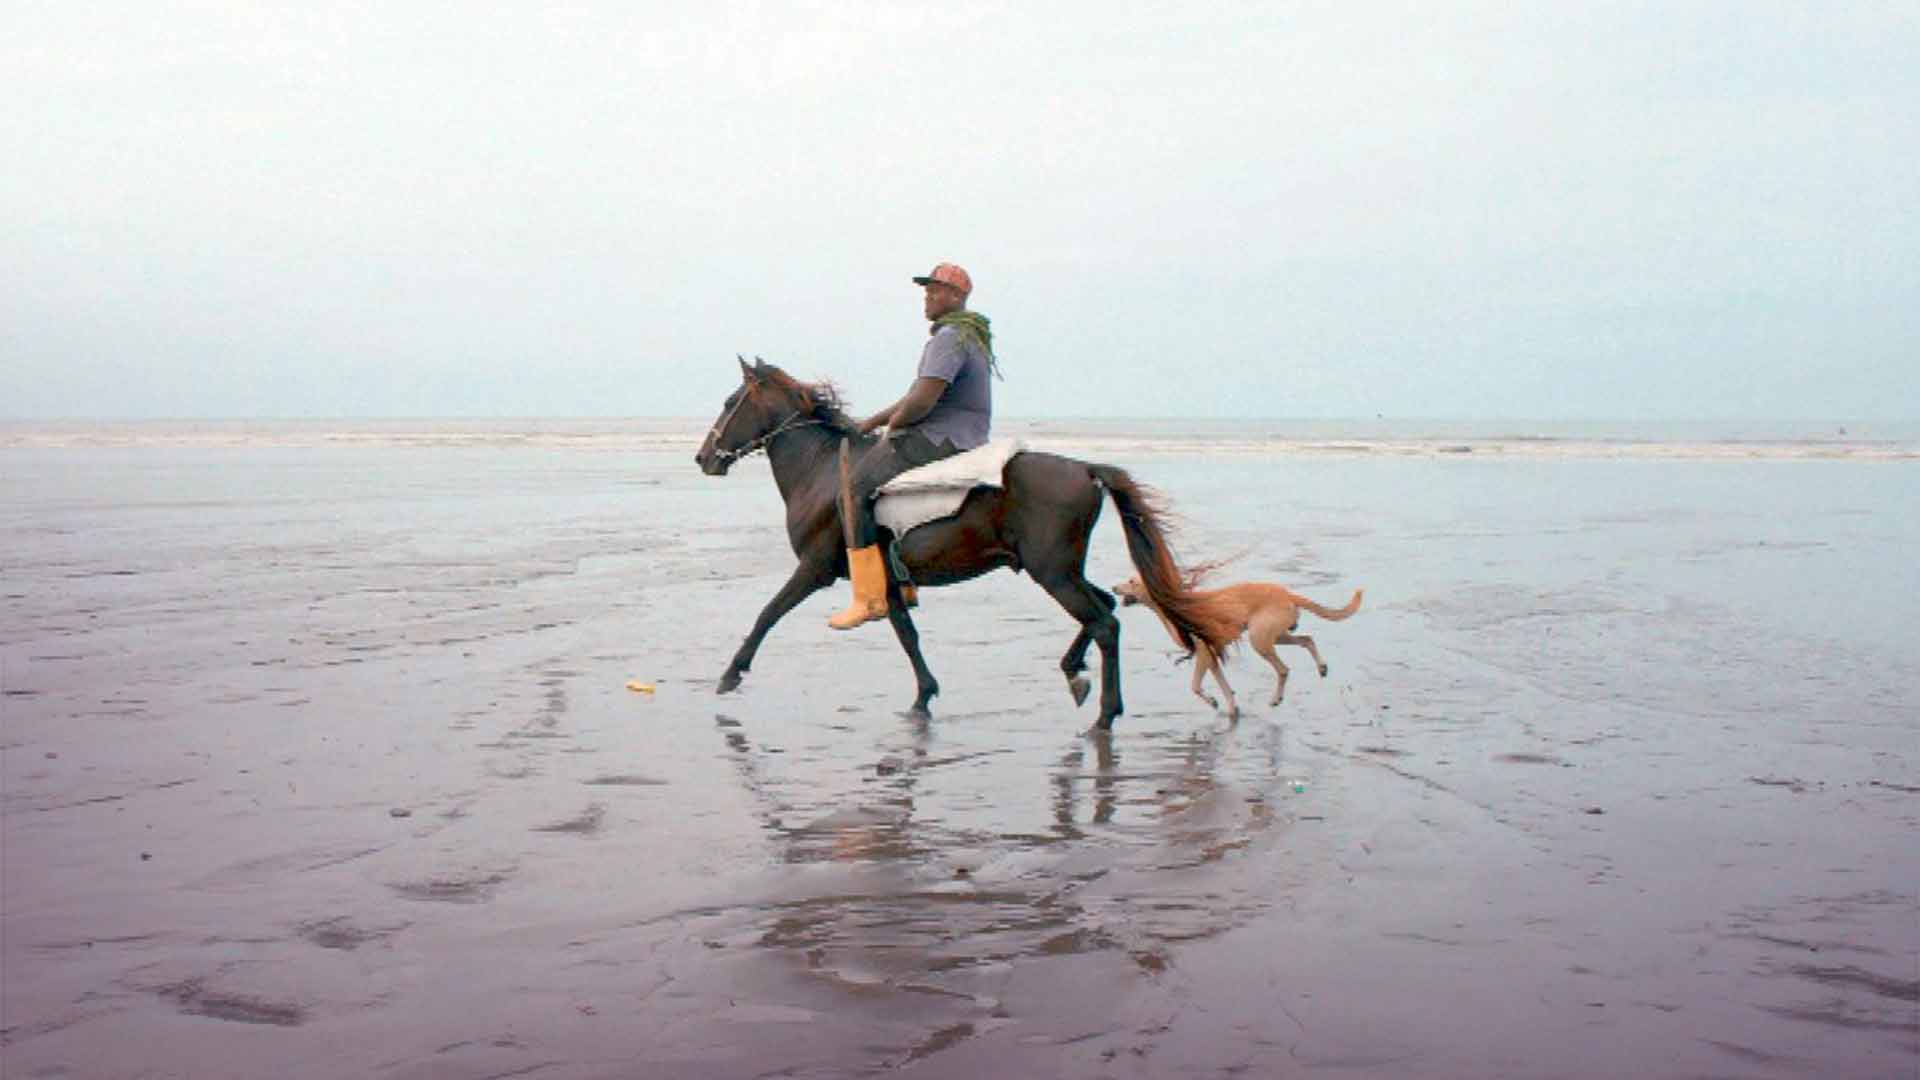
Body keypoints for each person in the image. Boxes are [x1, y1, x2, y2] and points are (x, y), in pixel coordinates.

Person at [828, 262, 997, 630]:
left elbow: (920, 403)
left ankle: (868, 598)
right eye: (926, 290)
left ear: (957, 296)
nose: (927, 297)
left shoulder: (949, 337)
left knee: (851, 492)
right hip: (966, 434)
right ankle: (902, 585)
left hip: (940, 438)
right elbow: (916, 394)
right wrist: (872, 422)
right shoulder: (969, 335)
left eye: (935, 290)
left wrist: (894, 429)